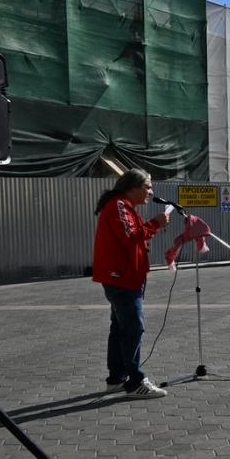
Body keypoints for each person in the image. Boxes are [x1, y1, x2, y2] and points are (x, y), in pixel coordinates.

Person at [92, 169, 172, 398]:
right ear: (133, 187)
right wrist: (155, 223)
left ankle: (117, 379)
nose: (150, 192)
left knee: (119, 329)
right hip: (121, 277)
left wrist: (150, 228)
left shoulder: (124, 206)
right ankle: (135, 381)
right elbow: (131, 235)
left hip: (123, 276)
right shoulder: (120, 205)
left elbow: (133, 235)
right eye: (147, 187)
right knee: (133, 328)